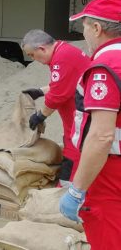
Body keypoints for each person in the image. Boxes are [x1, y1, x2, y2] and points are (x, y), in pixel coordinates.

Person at [59, 0, 121, 248]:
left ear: (97, 28)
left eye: (84, 26)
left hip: (110, 173)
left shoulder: (106, 65)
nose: (83, 33)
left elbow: (102, 136)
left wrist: (77, 189)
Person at [20, 29, 89, 187]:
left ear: (42, 49)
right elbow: (64, 84)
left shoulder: (62, 59)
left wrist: (40, 116)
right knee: (73, 147)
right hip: (75, 119)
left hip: (80, 120)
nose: (33, 59)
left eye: (32, 55)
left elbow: (57, 96)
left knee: (74, 154)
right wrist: (40, 91)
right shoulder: (64, 52)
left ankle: (66, 191)